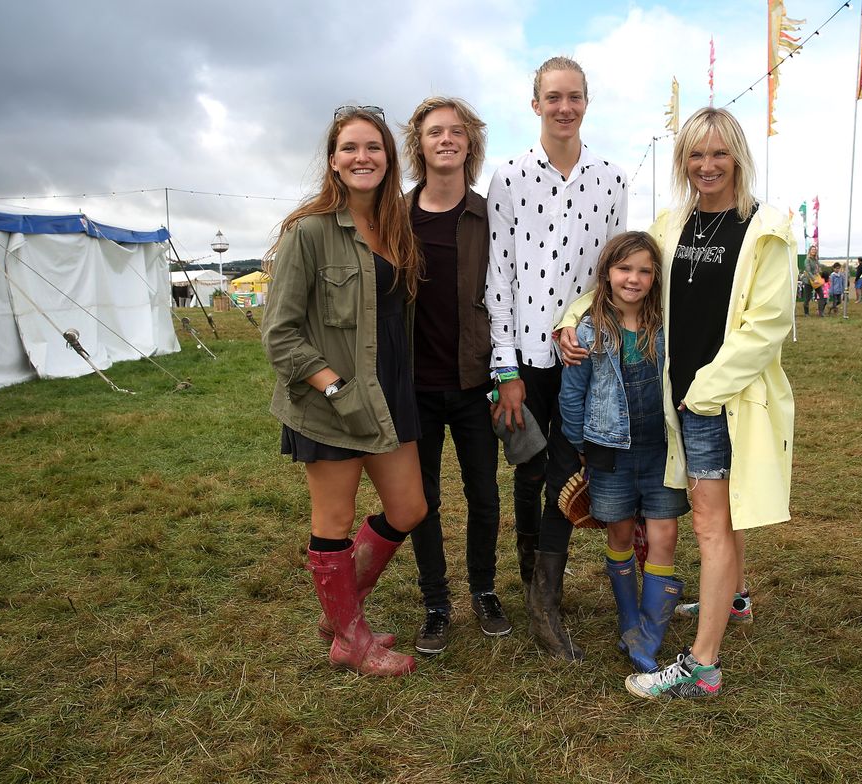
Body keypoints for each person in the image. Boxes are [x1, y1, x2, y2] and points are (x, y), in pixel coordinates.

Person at [561, 107, 795, 699]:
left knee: (711, 524)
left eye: (718, 153)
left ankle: (702, 666)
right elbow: (623, 280)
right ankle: (734, 598)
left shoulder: (766, 229)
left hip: (718, 402)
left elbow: (767, 326)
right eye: (695, 154)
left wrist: (705, 394)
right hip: (680, 397)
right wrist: (571, 320)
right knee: (724, 513)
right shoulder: (674, 225)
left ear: (738, 157)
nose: (707, 165)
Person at [261, 106, 426, 676]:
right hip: (330, 400)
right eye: (350, 148)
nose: (363, 157)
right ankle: (351, 641)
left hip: (388, 394)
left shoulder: (396, 229)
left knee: (409, 507)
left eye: (373, 147)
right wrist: (333, 388)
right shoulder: (309, 232)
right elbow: (279, 333)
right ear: (333, 160)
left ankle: (341, 614)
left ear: (389, 158)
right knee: (333, 519)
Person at [485, 55, 628, 661]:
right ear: (535, 104)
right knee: (529, 465)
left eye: (574, 97)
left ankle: (547, 598)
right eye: (553, 97)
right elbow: (500, 278)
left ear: (586, 103)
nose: (563, 107)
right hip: (524, 355)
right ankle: (531, 584)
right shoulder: (509, 177)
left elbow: (611, 273)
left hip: (581, 354)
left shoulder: (612, 179)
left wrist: (582, 327)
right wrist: (505, 367)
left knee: (567, 470)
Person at [400, 96, 509, 655]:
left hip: (474, 381)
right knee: (422, 501)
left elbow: (508, 291)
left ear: (471, 143)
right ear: (419, 145)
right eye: (434, 132)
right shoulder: (394, 217)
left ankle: (484, 590)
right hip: (412, 385)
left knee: (484, 494)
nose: (446, 139)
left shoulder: (491, 216)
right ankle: (436, 604)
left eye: (457, 131)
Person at [557, 231, 689, 673]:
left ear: (655, 278)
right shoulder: (588, 331)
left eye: (644, 271)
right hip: (609, 453)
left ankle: (649, 633)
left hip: (662, 452)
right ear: (607, 273)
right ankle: (629, 616)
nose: (634, 279)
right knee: (620, 534)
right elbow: (572, 396)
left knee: (664, 536)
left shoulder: (667, 327)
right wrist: (582, 448)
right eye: (624, 269)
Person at [801, 245, 823, 317]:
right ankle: (806, 313)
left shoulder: (816, 260)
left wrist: (819, 271)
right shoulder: (807, 260)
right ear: (809, 251)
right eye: (812, 250)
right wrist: (814, 279)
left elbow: (818, 269)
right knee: (808, 298)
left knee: (821, 295)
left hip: (816, 279)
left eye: (815, 250)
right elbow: (808, 271)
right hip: (808, 280)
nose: (814, 251)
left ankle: (821, 312)